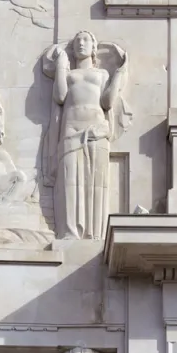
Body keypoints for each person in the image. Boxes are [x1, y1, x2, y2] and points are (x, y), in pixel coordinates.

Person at [45, 30, 129, 240]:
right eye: (76, 41)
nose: (80, 44)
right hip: (71, 130)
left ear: (94, 47)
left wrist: (119, 74)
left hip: (97, 130)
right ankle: (70, 232)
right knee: (69, 182)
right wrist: (61, 65)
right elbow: (60, 95)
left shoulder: (102, 74)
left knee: (96, 183)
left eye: (86, 40)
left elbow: (107, 102)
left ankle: (95, 233)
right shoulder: (69, 75)